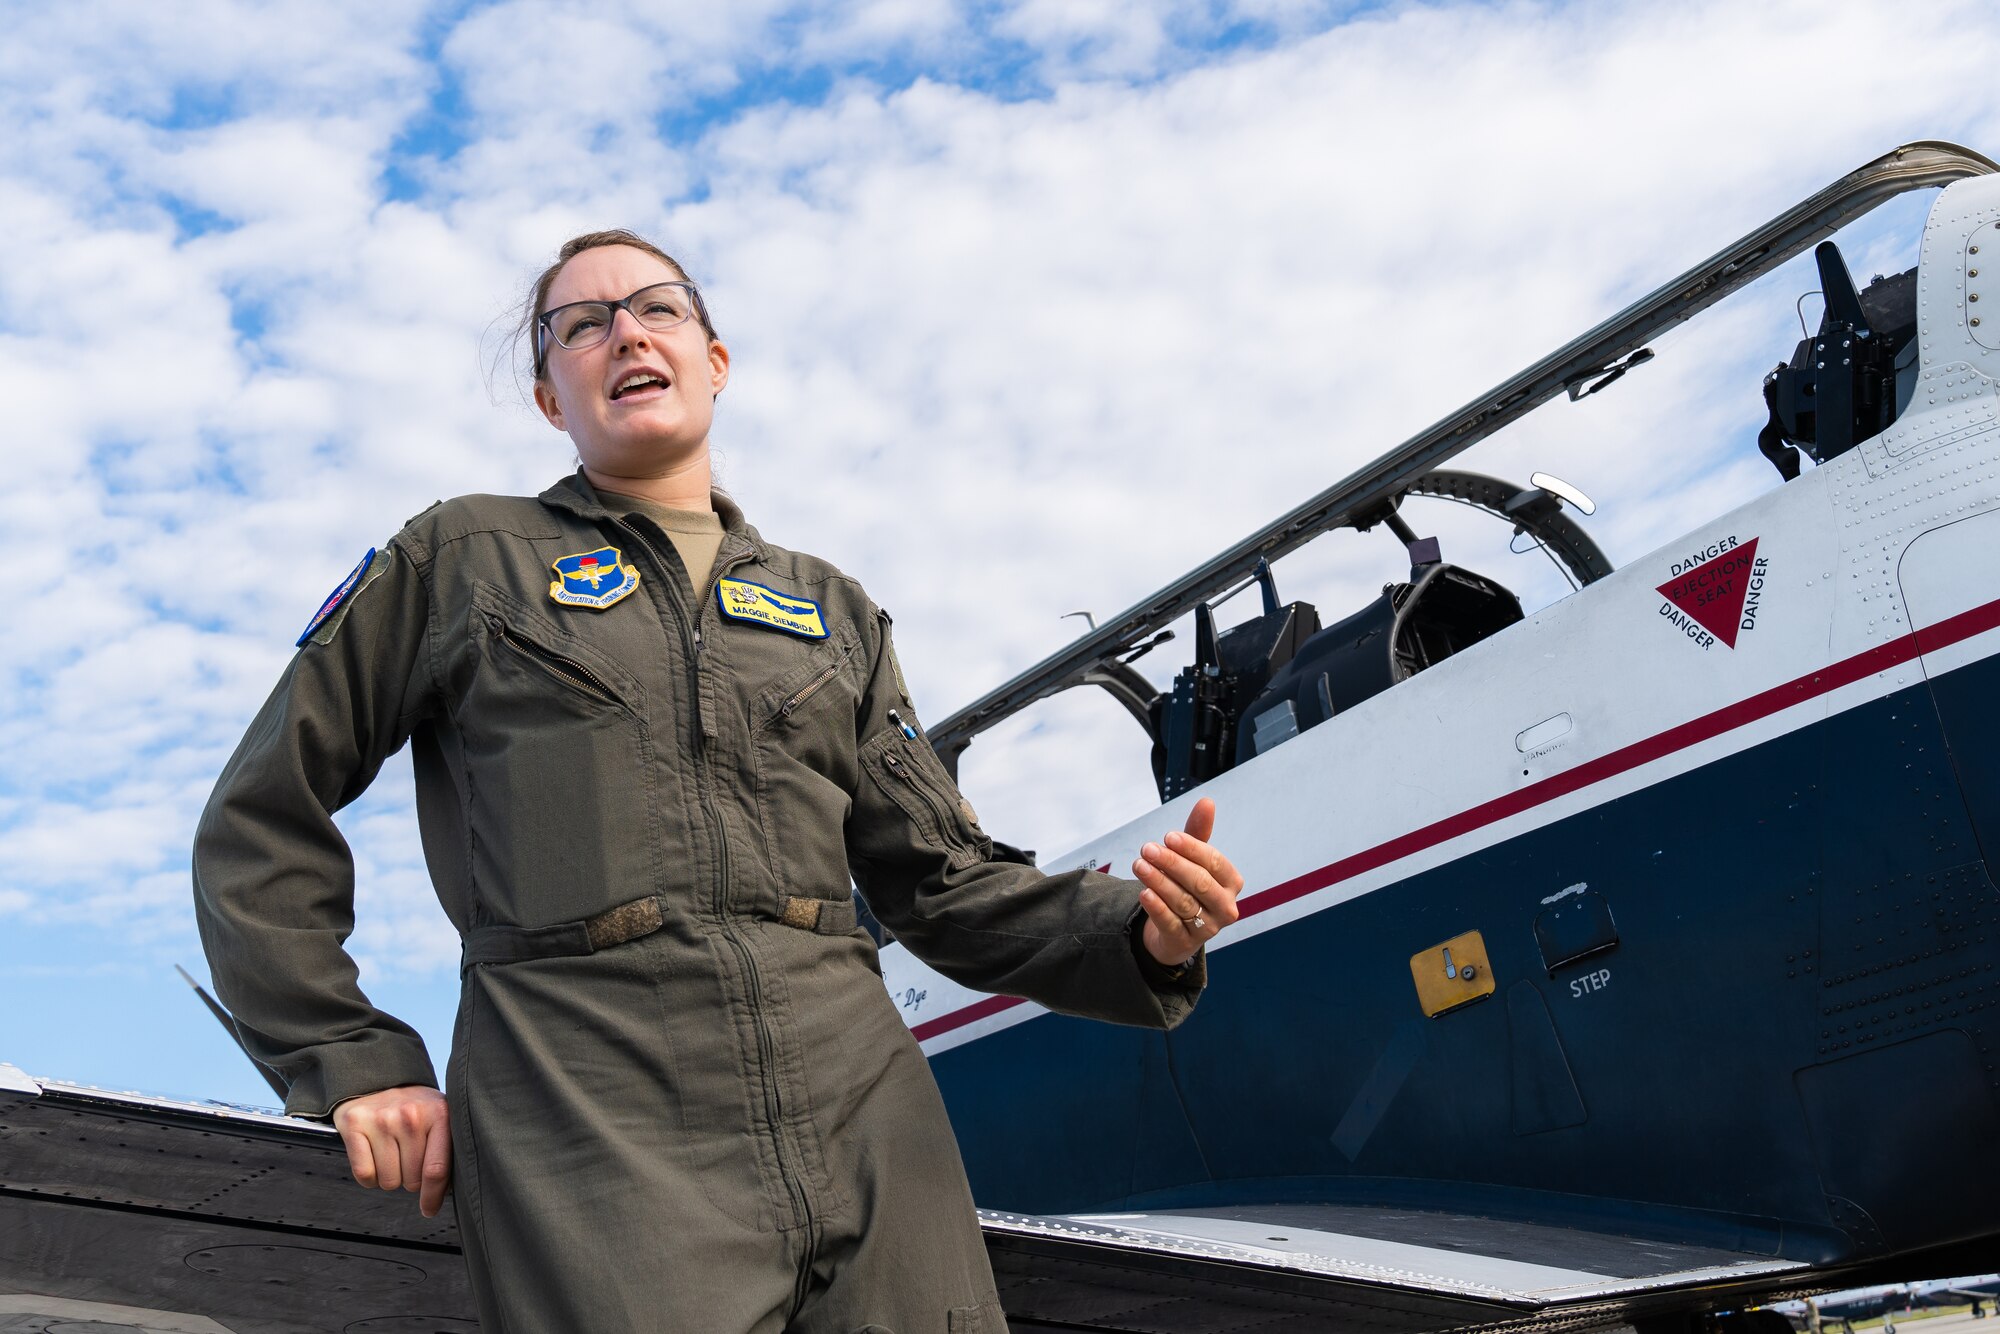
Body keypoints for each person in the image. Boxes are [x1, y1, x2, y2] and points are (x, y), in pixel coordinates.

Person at [191, 229, 1245, 1333]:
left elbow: (938, 877)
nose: (624, 332)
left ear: (714, 358)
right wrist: (350, 1054)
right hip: (590, 1118)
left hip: (866, 1112)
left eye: (656, 308)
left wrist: (1142, 935)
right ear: (551, 396)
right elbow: (264, 811)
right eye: (579, 324)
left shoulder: (830, 609)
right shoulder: (463, 560)